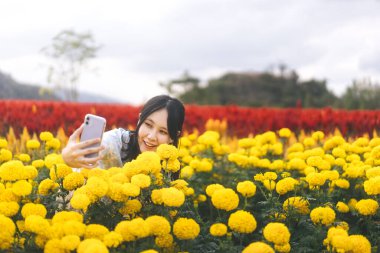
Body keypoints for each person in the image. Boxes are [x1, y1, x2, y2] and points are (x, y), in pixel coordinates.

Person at [62, 95, 185, 169]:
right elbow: (85, 155)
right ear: (139, 120)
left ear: (173, 137)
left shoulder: (169, 167)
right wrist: (68, 157)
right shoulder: (112, 143)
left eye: (163, 132)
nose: (152, 136)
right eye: (148, 125)